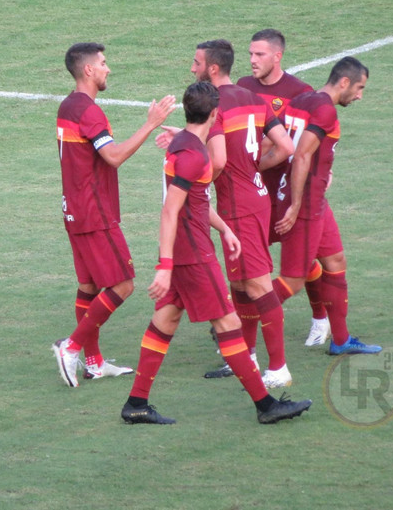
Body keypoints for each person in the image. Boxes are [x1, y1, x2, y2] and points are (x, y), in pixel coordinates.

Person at [120, 81, 312, 424]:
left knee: (166, 319)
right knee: (228, 322)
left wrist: (224, 228)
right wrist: (166, 266)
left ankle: (136, 403)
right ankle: (266, 406)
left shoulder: (184, 144)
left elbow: (195, 200)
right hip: (192, 253)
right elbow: (170, 211)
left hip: (187, 247)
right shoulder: (193, 156)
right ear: (213, 114)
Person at [52, 42, 176, 387]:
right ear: (88, 70)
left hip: (73, 210)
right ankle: (71, 347)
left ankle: (94, 363)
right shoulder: (89, 112)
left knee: (89, 286)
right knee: (123, 284)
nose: (108, 69)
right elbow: (114, 156)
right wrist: (151, 124)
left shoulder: (68, 105)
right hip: (95, 213)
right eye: (104, 63)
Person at [188, 39, 296, 388]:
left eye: (197, 63)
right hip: (255, 198)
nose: (192, 68)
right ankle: (246, 357)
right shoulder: (252, 97)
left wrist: (197, 181)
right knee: (240, 284)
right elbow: (286, 146)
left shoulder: (214, 104)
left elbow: (218, 160)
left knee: (258, 285)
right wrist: (252, 169)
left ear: (212, 68)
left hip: (238, 207)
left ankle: (278, 368)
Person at [272, 56, 382, 355]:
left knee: (335, 261)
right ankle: (233, 321)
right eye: (359, 88)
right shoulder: (325, 110)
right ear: (344, 82)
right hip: (305, 202)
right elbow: (302, 155)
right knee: (292, 280)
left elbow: (281, 144)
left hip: (316, 201)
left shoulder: (302, 100)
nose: (359, 95)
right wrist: (296, 204)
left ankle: (341, 339)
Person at [237, 29, 331, 348]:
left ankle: (320, 317)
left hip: (287, 189)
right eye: (250, 54)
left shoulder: (300, 93)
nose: (252, 60)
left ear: (277, 56)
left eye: (259, 54)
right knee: (254, 260)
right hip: (254, 190)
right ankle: (246, 322)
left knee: (302, 258)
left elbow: (312, 144)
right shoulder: (243, 87)